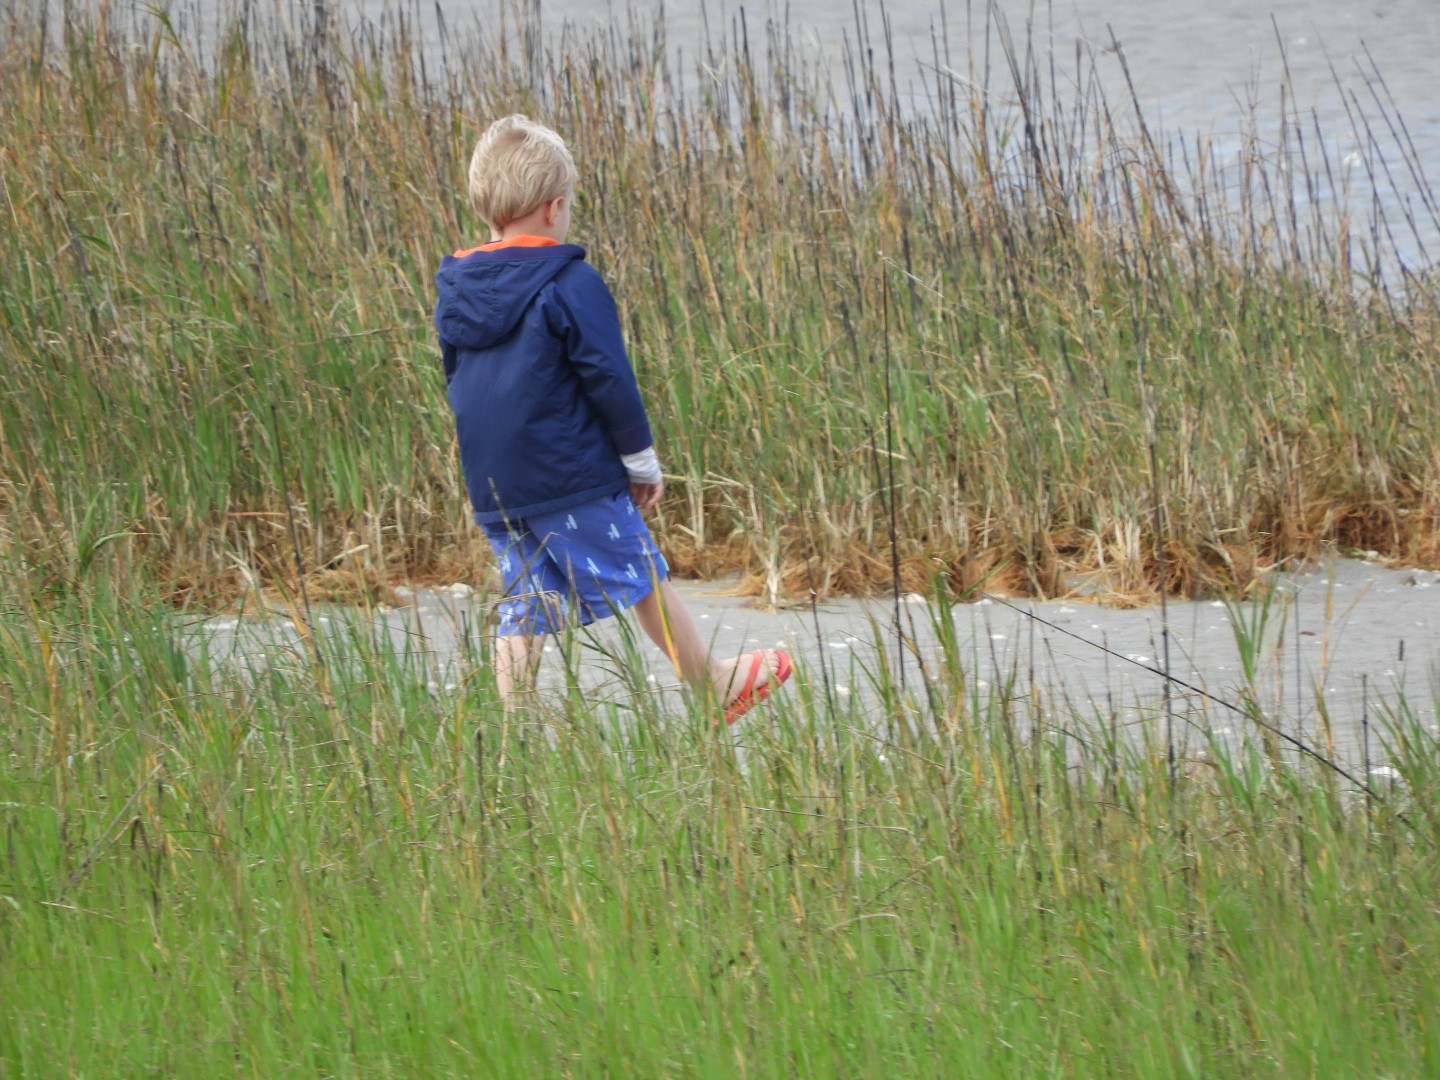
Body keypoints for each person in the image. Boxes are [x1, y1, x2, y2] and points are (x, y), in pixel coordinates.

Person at [434, 114, 791, 721]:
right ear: (553, 208)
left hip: (496, 479)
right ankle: (711, 684)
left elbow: (455, 375)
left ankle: (512, 727)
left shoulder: (456, 286)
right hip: (569, 471)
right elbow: (607, 374)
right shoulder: (568, 280)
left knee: (529, 596)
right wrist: (638, 457)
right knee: (641, 569)